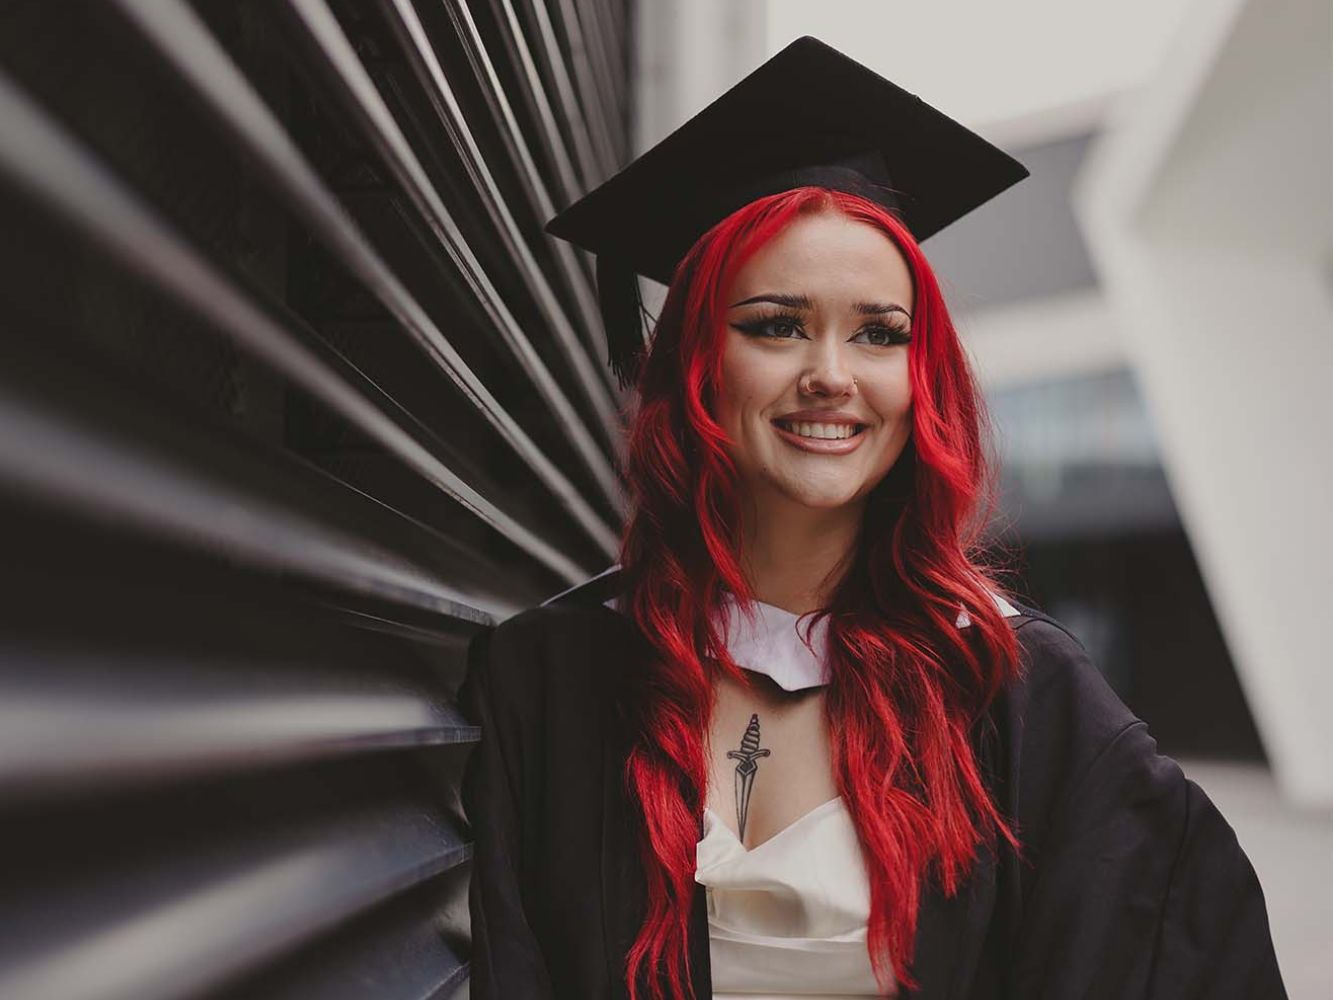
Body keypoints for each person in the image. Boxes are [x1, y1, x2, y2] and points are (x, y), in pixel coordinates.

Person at [457, 36, 1287, 1000]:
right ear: (694, 364)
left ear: (918, 377)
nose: (831, 376)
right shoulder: (552, 677)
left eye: (878, 334)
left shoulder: (1013, 690)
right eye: (775, 324)